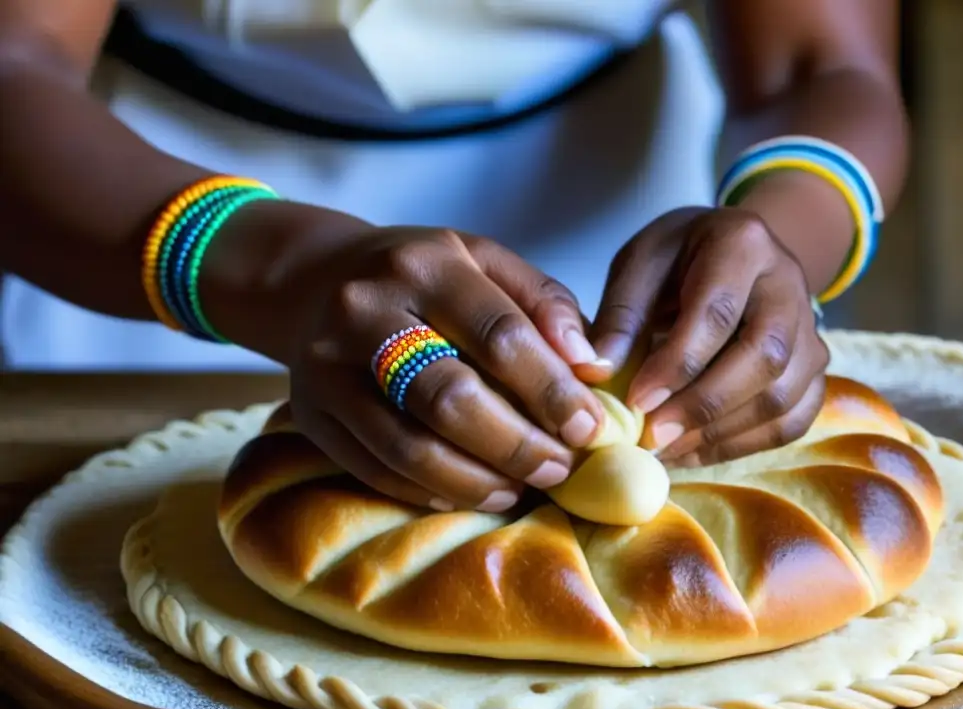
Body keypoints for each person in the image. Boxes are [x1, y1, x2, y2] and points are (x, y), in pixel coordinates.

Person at [0, 1, 908, 515]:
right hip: (141, 211)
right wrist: (276, 275)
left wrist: (780, 233)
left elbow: (821, 66)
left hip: (629, 258)